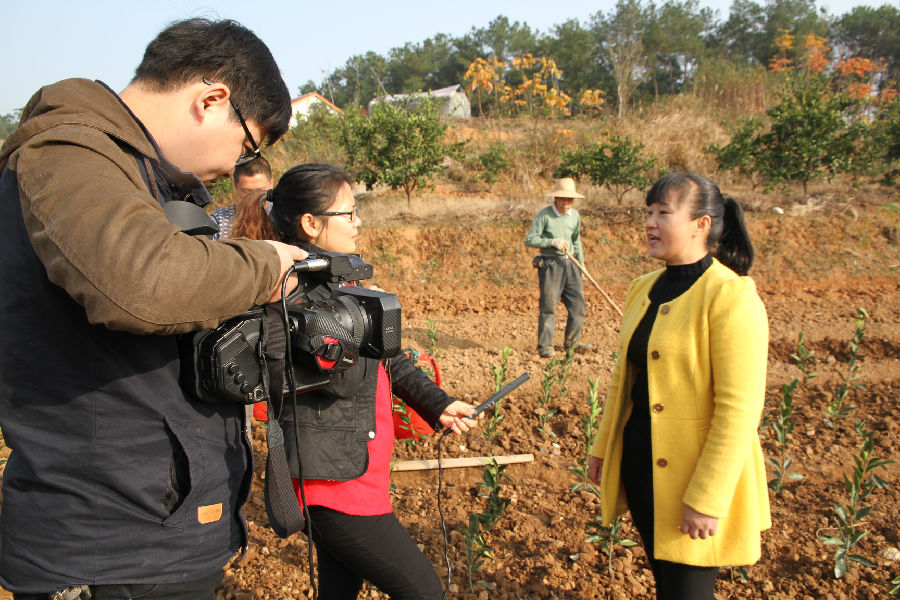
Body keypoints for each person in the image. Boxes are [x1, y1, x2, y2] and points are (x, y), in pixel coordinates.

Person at [0, 19, 307, 600]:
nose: (237, 167)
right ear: (211, 99)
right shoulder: (67, 151)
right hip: (109, 547)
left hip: (151, 532)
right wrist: (264, 264)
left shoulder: (141, 176)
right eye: (247, 145)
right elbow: (143, 283)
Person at [251, 163, 478, 600]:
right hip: (330, 483)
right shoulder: (291, 294)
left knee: (339, 590)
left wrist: (439, 404)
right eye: (348, 213)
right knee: (424, 591)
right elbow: (323, 379)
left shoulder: (343, 284)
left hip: (353, 468)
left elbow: (390, 359)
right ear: (311, 223)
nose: (358, 222)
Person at [587, 173, 771, 600]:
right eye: (648, 212)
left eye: (663, 213)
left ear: (700, 225)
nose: (650, 223)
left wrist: (708, 497)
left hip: (693, 476)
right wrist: (603, 446)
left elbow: (739, 410)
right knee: (667, 582)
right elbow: (623, 380)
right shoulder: (643, 288)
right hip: (641, 465)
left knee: (688, 591)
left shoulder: (731, 295)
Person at [524, 177, 589, 358]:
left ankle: (572, 343)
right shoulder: (544, 215)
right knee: (549, 307)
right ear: (556, 198)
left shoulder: (575, 216)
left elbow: (576, 241)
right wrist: (552, 242)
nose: (566, 203)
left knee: (578, 306)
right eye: (562, 199)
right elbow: (530, 239)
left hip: (571, 264)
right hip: (550, 264)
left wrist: (581, 265)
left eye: (569, 199)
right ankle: (545, 346)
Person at [211, 155, 275, 240]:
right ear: (236, 187)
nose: (254, 196)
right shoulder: (219, 220)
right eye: (247, 191)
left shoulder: (282, 216)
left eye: (260, 190)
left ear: (271, 184)